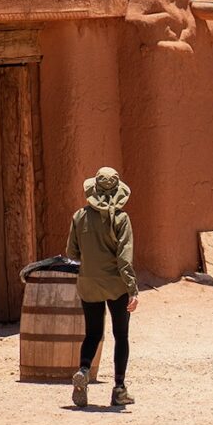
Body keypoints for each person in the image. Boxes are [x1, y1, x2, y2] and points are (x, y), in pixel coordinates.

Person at [66, 166, 138, 408]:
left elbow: (71, 252)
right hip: (116, 285)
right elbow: (124, 259)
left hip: (88, 283)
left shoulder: (79, 216)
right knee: (121, 335)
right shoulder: (121, 218)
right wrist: (133, 289)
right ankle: (119, 389)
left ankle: (84, 370)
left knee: (92, 333)